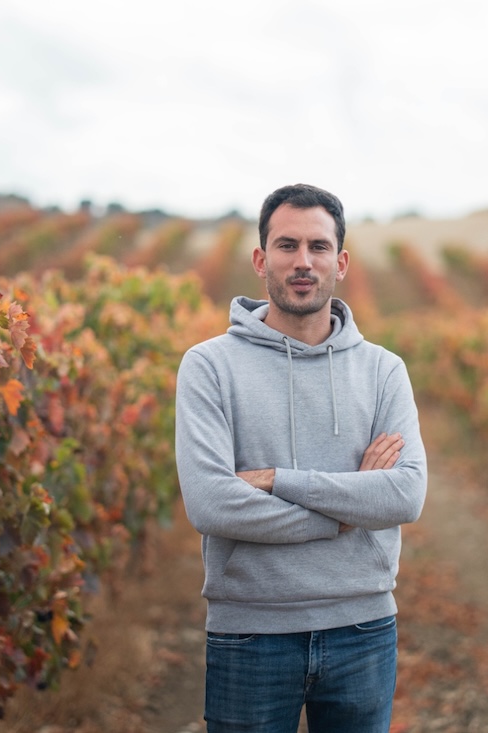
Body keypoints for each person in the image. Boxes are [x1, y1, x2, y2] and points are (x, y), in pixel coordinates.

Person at [174, 183, 428, 732]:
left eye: (318, 246)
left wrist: (276, 481)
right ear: (262, 259)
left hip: (364, 629)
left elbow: (405, 494)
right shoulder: (208, 367)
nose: (303, 261)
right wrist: (347, 511)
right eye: (287, 245)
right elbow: (213, 505)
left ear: (340, 261)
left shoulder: (384, 370)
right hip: (250, 634)